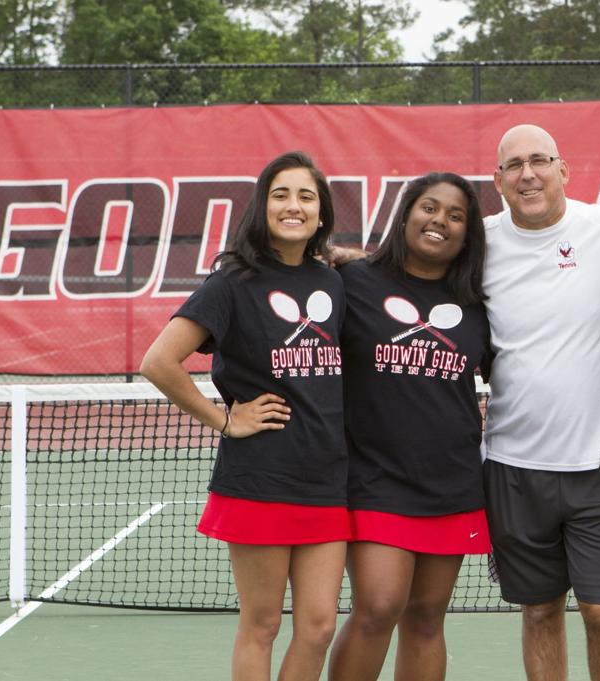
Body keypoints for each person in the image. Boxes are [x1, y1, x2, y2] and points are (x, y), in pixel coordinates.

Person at [140, 151, 349, 681]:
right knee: (261, 625)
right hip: (260, 476)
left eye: (306, 196)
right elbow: (159, 362)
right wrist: (225, 420)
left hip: (327, 477)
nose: (293, 206)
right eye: (280, 194)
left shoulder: (332, 283)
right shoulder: (233, 281)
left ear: (321, 212)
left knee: (320, 626)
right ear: (262, 207)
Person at [482, 124, 600, 681]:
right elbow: (394, 271)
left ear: (563, 169)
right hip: (512, 466)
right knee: (540, 608)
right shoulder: (477, 244)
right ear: (497, 180)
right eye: (515, 165)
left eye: (539, 161)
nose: (528, 174)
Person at [327, 173, 491, 681]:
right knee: (378, 607)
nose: (439, 220)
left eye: (455, 215)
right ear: (405, 214)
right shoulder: (354, 283)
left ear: (467, 234)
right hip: (375, 479)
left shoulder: (478, 301)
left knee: (425, 619)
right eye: (428, 207)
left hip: (452, 479)